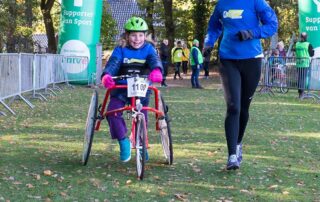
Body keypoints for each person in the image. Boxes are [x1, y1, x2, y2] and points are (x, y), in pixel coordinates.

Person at [204, 0, 278, 170]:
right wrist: (209, 43)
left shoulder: (256, 2)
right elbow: (214, 27)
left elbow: (272, 24)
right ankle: (231, 156)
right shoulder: (221, 4)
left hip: (252, 60)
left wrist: (251, 33)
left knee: (244, 107)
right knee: (233, 106)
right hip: (228, 59)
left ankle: (238, 144)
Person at [101, 17, 163, 162]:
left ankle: (141, 145)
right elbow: (114, 62)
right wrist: (107, 75)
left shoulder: (149, 49)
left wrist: (157, 70)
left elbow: (154, 60)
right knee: (112, 113)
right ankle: (123, 142)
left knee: (142, 115)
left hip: (141, 88)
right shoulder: (120, 49)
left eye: (140, 35)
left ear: (145, 36)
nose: (137, 39)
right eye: (134, 35)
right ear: (127, 36)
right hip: (121, 87)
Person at [295, 32, 314, 99]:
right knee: (303, 79)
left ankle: (300, 93)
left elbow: (295, 51)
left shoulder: (297, 44)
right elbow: (312, 54)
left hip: (298, 63)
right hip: (305, 64)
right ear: (306, 37)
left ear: (300, 37)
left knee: (299, 78)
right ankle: (302, 94)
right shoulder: (308, 44)